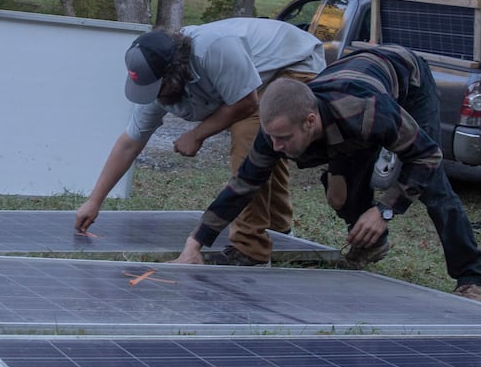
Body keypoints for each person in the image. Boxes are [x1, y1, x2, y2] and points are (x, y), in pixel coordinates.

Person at [175, 43, 481, 301]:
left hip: (408, 83)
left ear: (310, 122)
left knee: (434, 189)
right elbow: (243, 185)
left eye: (284, 139)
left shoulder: (369, 112)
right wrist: (196, 242)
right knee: (338, 195)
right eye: (272, 138)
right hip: (346, 102)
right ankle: (373, 242)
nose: (276, 147)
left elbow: (426, 156)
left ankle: (474, 277)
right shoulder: (276, 131)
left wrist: (384, 209)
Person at [74, 18, 325, 265]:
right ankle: (279, 230)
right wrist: (94, 201)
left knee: (247, 137)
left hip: (294, 61)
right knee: (267, 147)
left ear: (174, 73)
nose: (155, 97)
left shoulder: (214, 49)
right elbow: (130, 142)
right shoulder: (156, 83)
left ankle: (250, 250)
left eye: (157, 90)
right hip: (253, 80)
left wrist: (196, 135)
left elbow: (246, 104)